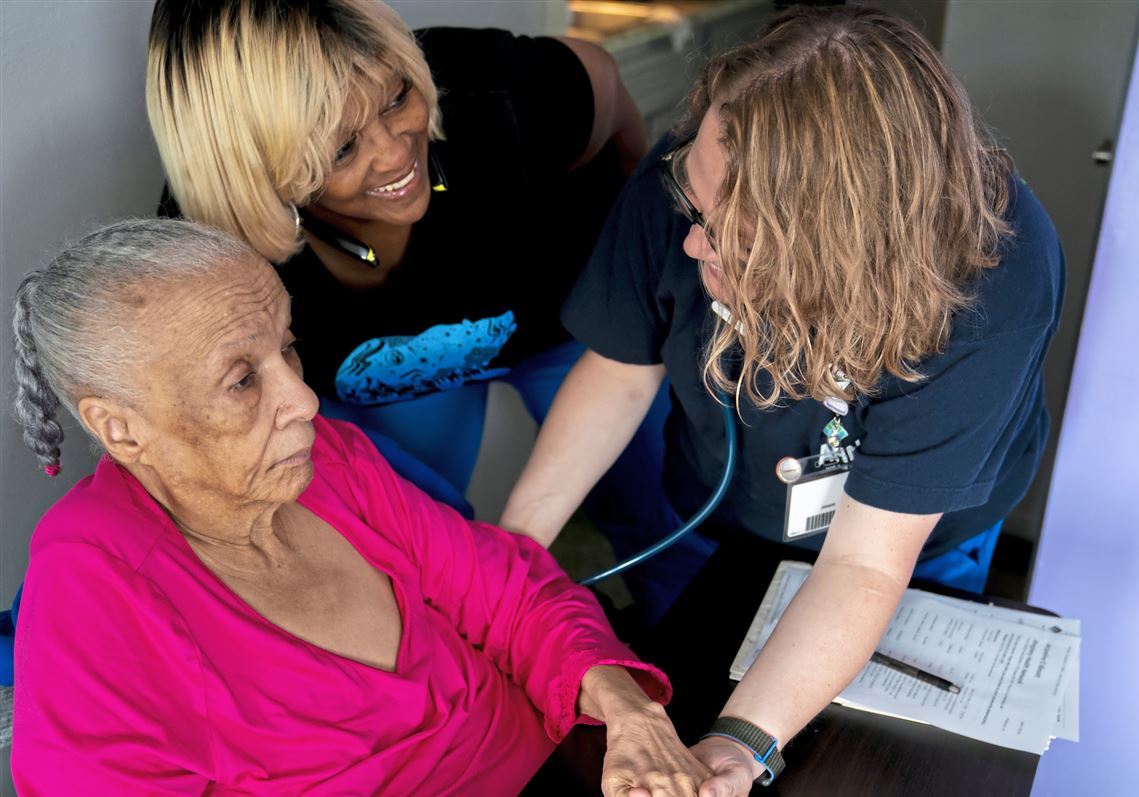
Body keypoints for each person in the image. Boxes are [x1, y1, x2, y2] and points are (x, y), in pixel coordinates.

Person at [502, 5, 1065, 793]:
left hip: (910, 542)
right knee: (688, 661)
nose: (691, 241)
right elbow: (622, 368)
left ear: (835, 250)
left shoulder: (992, 278)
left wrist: (738, 746)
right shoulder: (701, 167)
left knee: (860, 752)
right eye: (693, 211)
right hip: (715, 513)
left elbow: (868, 564)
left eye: (725, 235)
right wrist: (507, 556)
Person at [9, 218, 713, 796]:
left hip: (570, 763)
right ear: (120, 427)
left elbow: (511, 594)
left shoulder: (329, 460)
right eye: (242, 379)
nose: (305, 402)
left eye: (287, 347)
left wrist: (627, 711)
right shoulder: (91, 585)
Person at [144, 0, 677, 594]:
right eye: (342, 149)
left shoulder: (497, 91)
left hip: (573, 318)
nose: (397, 153)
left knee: (662, 507)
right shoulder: (209, 254)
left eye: (398, 99)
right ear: (255, 173)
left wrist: (640, 223)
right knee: (418, 548)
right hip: (382, 371)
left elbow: (602, 78)